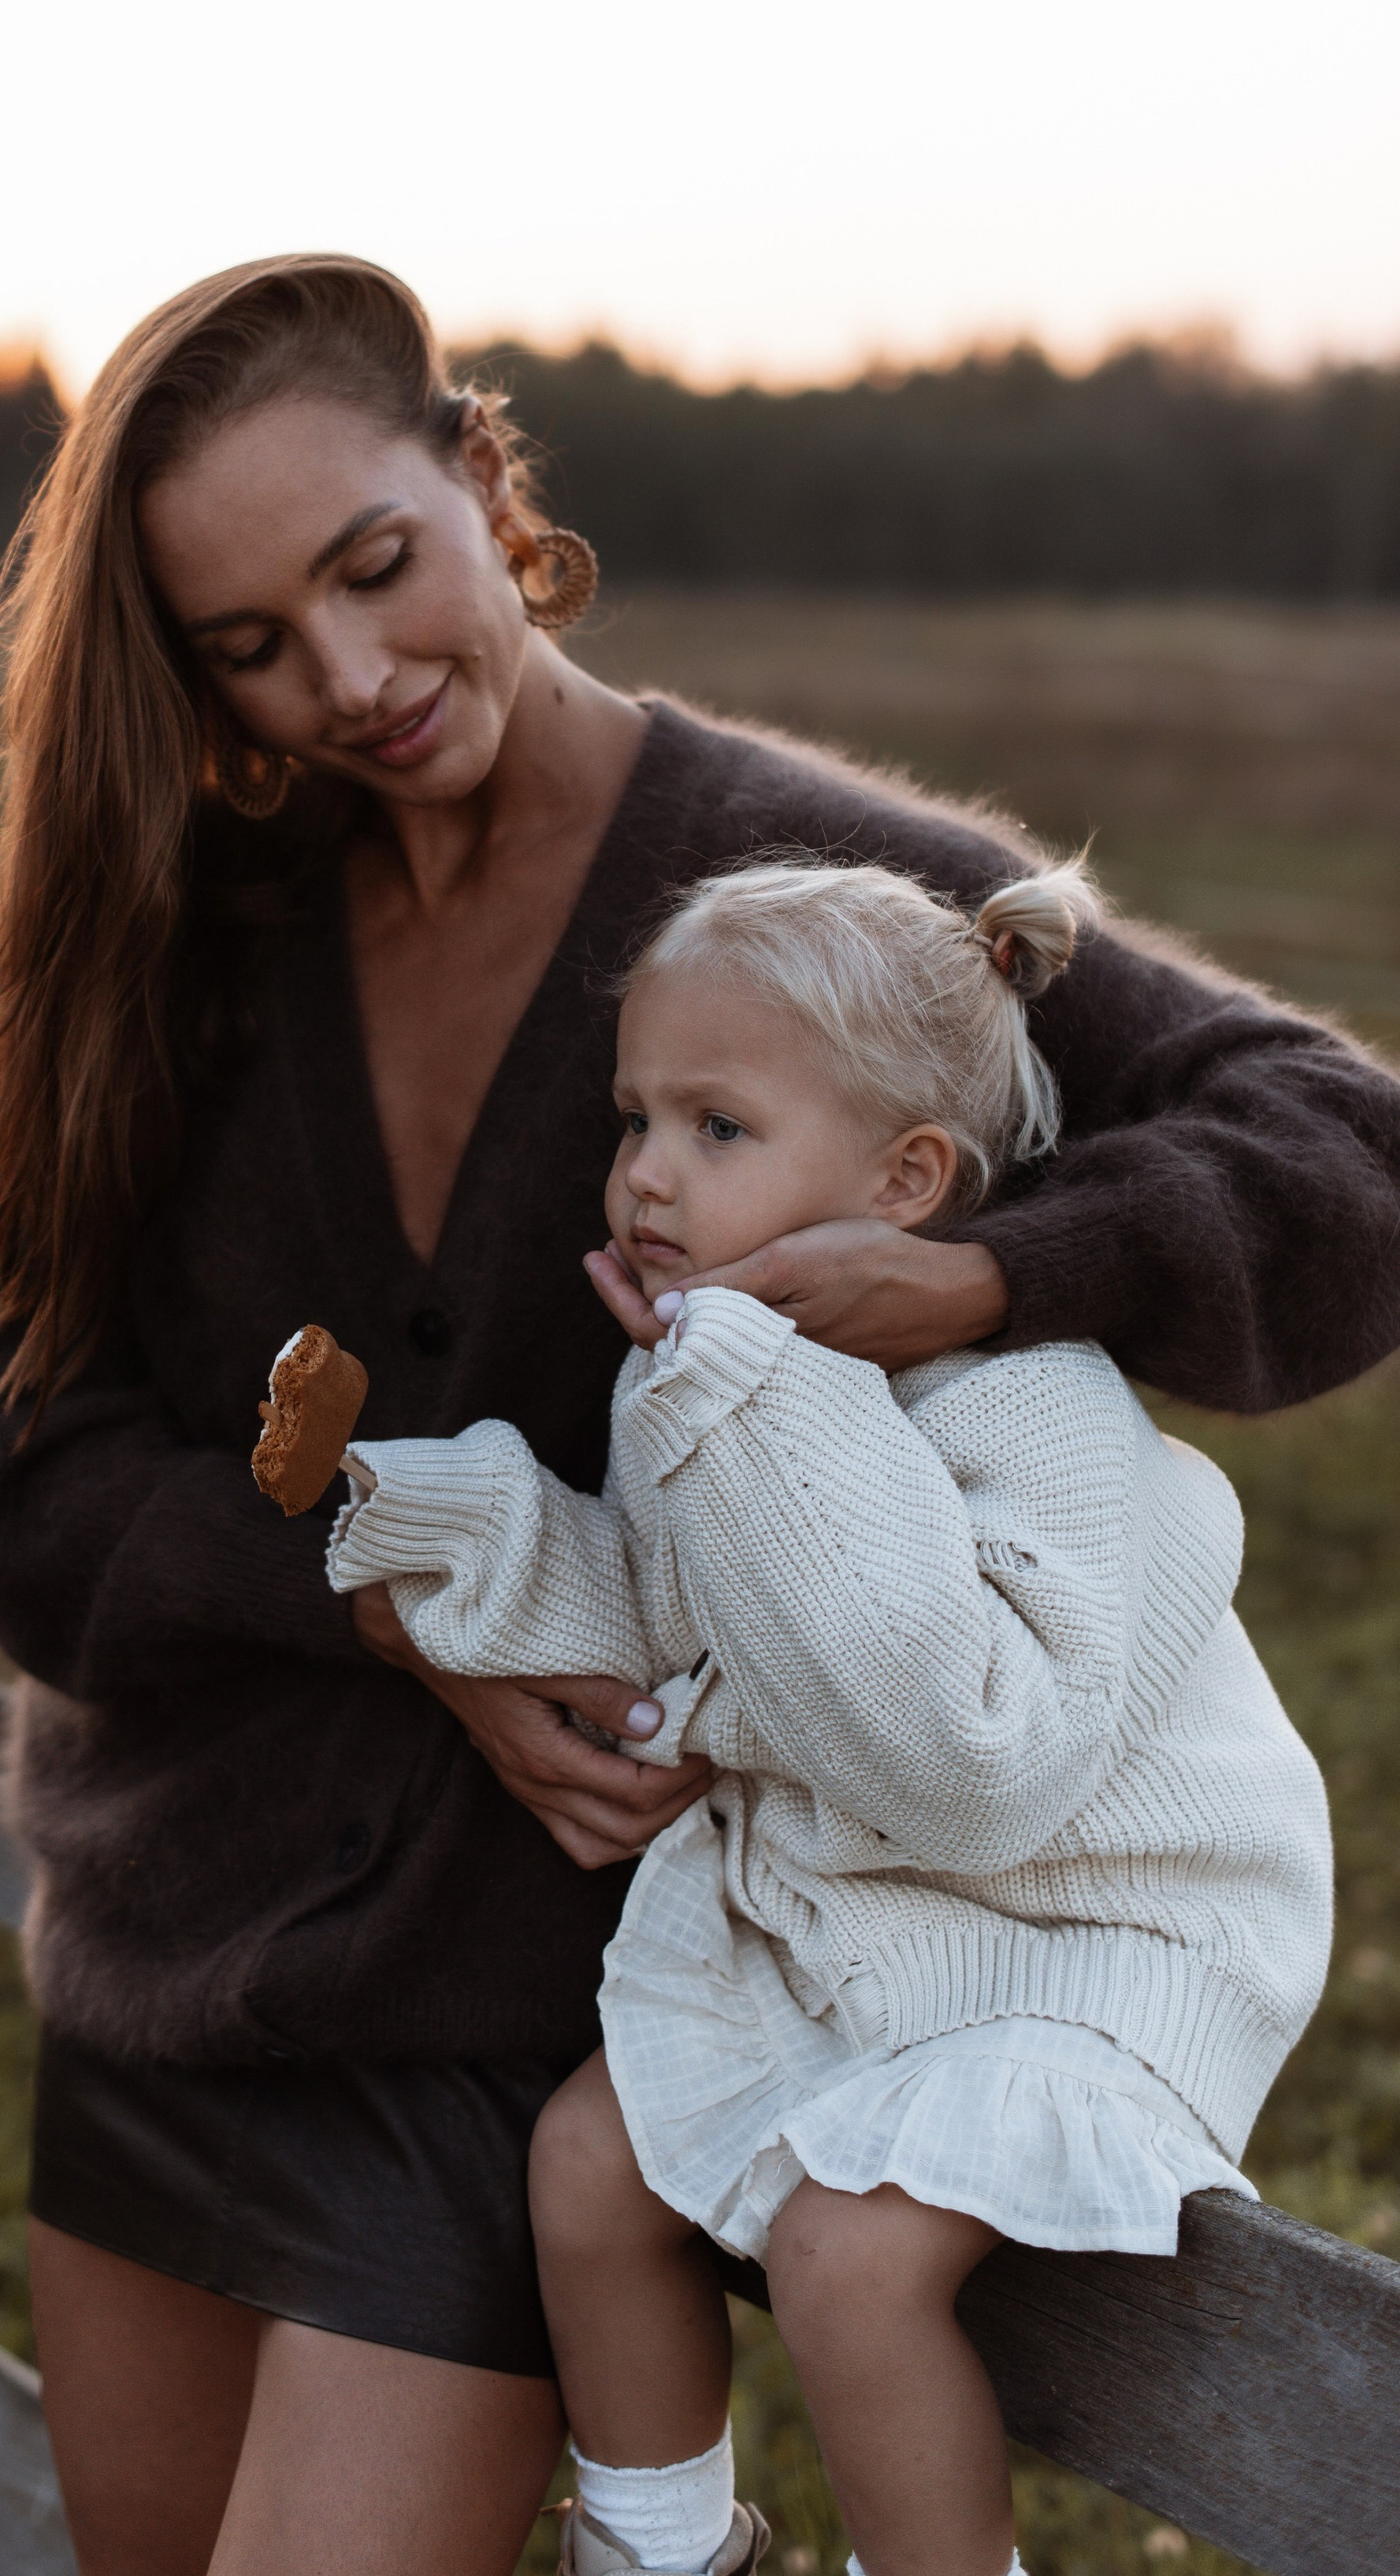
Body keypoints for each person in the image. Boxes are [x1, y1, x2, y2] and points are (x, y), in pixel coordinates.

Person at [0, 254, 1400, 2576]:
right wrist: (389, 1610)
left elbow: (1340, 1153)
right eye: (249, 644)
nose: (350, 679)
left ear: (488, 485)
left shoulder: (811, 912)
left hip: (511, 2017)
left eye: (377, 566)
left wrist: (988, 1271)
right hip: (158, 1953)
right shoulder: (185, 952)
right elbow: (26, 1469)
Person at [324, 854, 1333, 2576]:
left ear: (905, 1179)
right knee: (585, 2160)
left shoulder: (1032, 1403)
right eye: (635, 1115)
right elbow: (669, 1620)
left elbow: (972, 1759)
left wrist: (722, 1388)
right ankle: (654, 2547)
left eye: (716, 1127)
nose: (644, 1172)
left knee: (850, 2260)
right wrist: (448, 1527)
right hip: (884, 1914)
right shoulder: (708, 1382)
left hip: (1090, 1926)